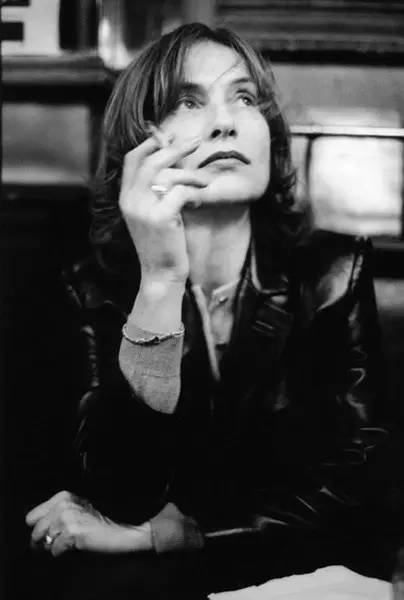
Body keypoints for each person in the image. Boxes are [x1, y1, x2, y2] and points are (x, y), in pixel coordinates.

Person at [25, 22, 392, 599]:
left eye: (244, 98)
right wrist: (160, 282)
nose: (226, 122)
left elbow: (357, 490)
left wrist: (171, 534)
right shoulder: (87, 288)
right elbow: (116, 494)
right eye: (189, 102)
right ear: (139, 144)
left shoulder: (333, 272)